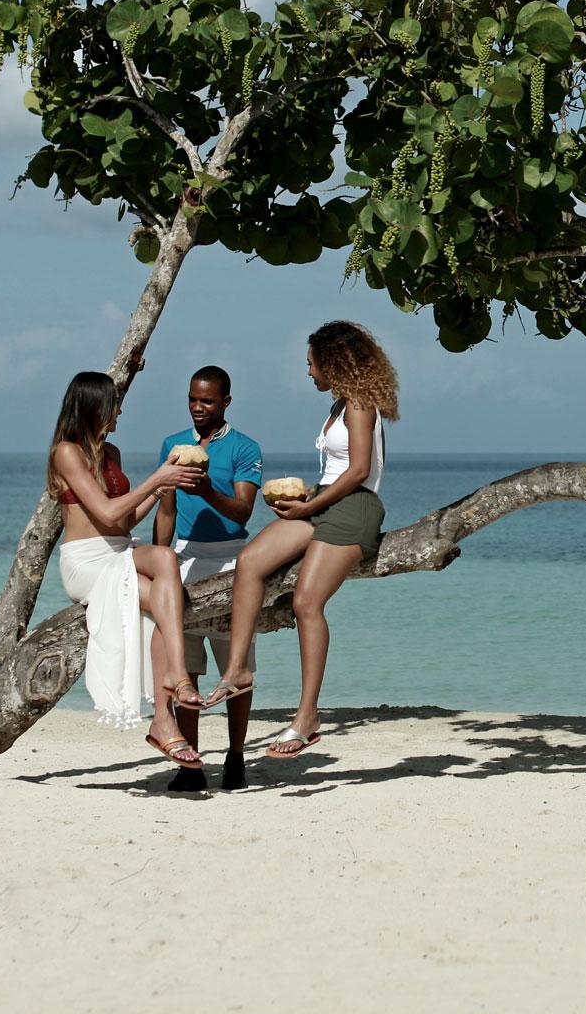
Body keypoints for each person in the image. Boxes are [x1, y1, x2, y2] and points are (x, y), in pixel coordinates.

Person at [203, 321, 398, 759]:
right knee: (251, 561)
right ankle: (237, 670)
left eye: (311, 364)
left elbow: (360, 470)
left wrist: (310, 507)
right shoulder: (337, 406)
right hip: (324, 501)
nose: (308, 372)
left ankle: (307, 718)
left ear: (332, 362)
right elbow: (335, 472)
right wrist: (302, 497)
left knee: (307, 603)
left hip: (356, 506)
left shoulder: (361, 404)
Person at [47, 370, 210, 770]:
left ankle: (171, 692)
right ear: (93, 406)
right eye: (113, 404)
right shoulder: (66, 452)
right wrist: (156, 476)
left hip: (118, 549)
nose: (119, 410)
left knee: (165, 561)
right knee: (161, 600)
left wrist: (160, 490)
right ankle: (169, 700)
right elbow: (103, 512)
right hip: (86, 561)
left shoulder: (112, 454)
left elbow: (122, 523)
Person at [152, 365, 264, 791]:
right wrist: (159, 559)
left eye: (208, 401)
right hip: (182, 560)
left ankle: (236, 757)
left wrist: (205, 493)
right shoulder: (172, 444)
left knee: (237, 666)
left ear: (226, 402)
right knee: (187, 668)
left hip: (233, 564)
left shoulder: (244, 448)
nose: (199, 408)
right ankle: (190, 763)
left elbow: (243, 511)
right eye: (193, 400)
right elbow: (165, 509)